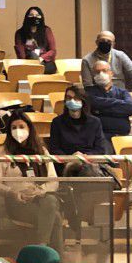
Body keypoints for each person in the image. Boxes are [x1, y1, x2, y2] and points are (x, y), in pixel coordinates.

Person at [0, 111, 63, 250]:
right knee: (56, 217)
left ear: (29, 128)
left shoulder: (41, 151)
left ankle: (42, 248)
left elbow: (54, 181)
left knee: (50, 202)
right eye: (14, 127)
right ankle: (49, 253)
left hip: (40, 200)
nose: (18, 131)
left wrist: (39, 190)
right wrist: (13, 193)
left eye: (21, 127)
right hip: (17, 202)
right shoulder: (2, 152)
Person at [47, 84, 111, 234]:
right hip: (66, 166)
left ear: (83, 101)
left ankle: (78, 219)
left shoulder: (95, 122)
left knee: (85, 174)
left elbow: (100, 149)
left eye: (76, 98)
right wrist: (71, 158)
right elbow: (54, 149)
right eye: (68, 98)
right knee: (78, 180)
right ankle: (78, 221)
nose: (72, 101)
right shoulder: (57, 122)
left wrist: (83, 157)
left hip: (88, 165)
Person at [85, 61, 132, 143]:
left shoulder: (122, 92)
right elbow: (93, 103)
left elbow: (131, 108)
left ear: (111, 73)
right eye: (97, 72)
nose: (101, 74)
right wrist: (119, 106)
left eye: (104, 71)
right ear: (93, 75)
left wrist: (100, 110)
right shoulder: (88, 92)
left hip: (123, 135)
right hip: (100, 136)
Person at [13, 6, 58, 71]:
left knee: (49, 67)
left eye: (37, 15)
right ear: (26, 17)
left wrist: (41, 58)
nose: (34, 17)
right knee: (32, 55)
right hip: (28, 62)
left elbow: (52, 51)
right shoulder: (20, 33)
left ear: (41, 17)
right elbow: (21, 55)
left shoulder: (46, 30)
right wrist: (32, 61)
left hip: (44, 61)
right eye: (31, 15)